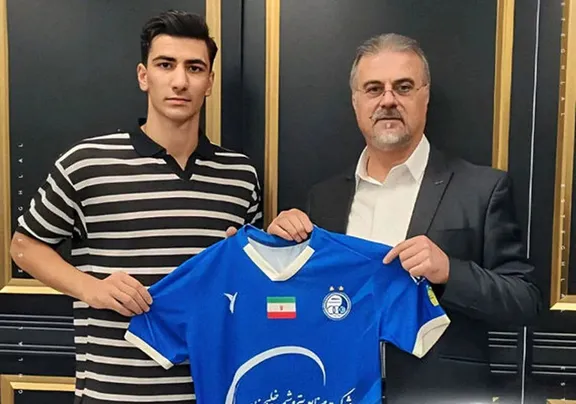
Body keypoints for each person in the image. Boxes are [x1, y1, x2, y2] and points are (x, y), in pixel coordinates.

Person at [265, 33, 542, 404]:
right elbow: (297, 305)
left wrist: (450, 272)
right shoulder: (323, 199)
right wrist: (276, 255)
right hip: (337, 391)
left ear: (425, 96)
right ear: (356, 101)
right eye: (373, 89)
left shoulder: (482, 188)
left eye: (404, 87)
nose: (388, 100)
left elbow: (525, 300)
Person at [10, 10, 261, 404]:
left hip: (211, 391)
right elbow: (23, 246)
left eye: (195, 68)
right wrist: (92, 289)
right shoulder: (87, 163)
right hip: (111, 392)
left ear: (210, 82)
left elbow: (250, 284)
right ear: (144, 76)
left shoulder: (240, 176)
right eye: (166, 65)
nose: (180, 81)